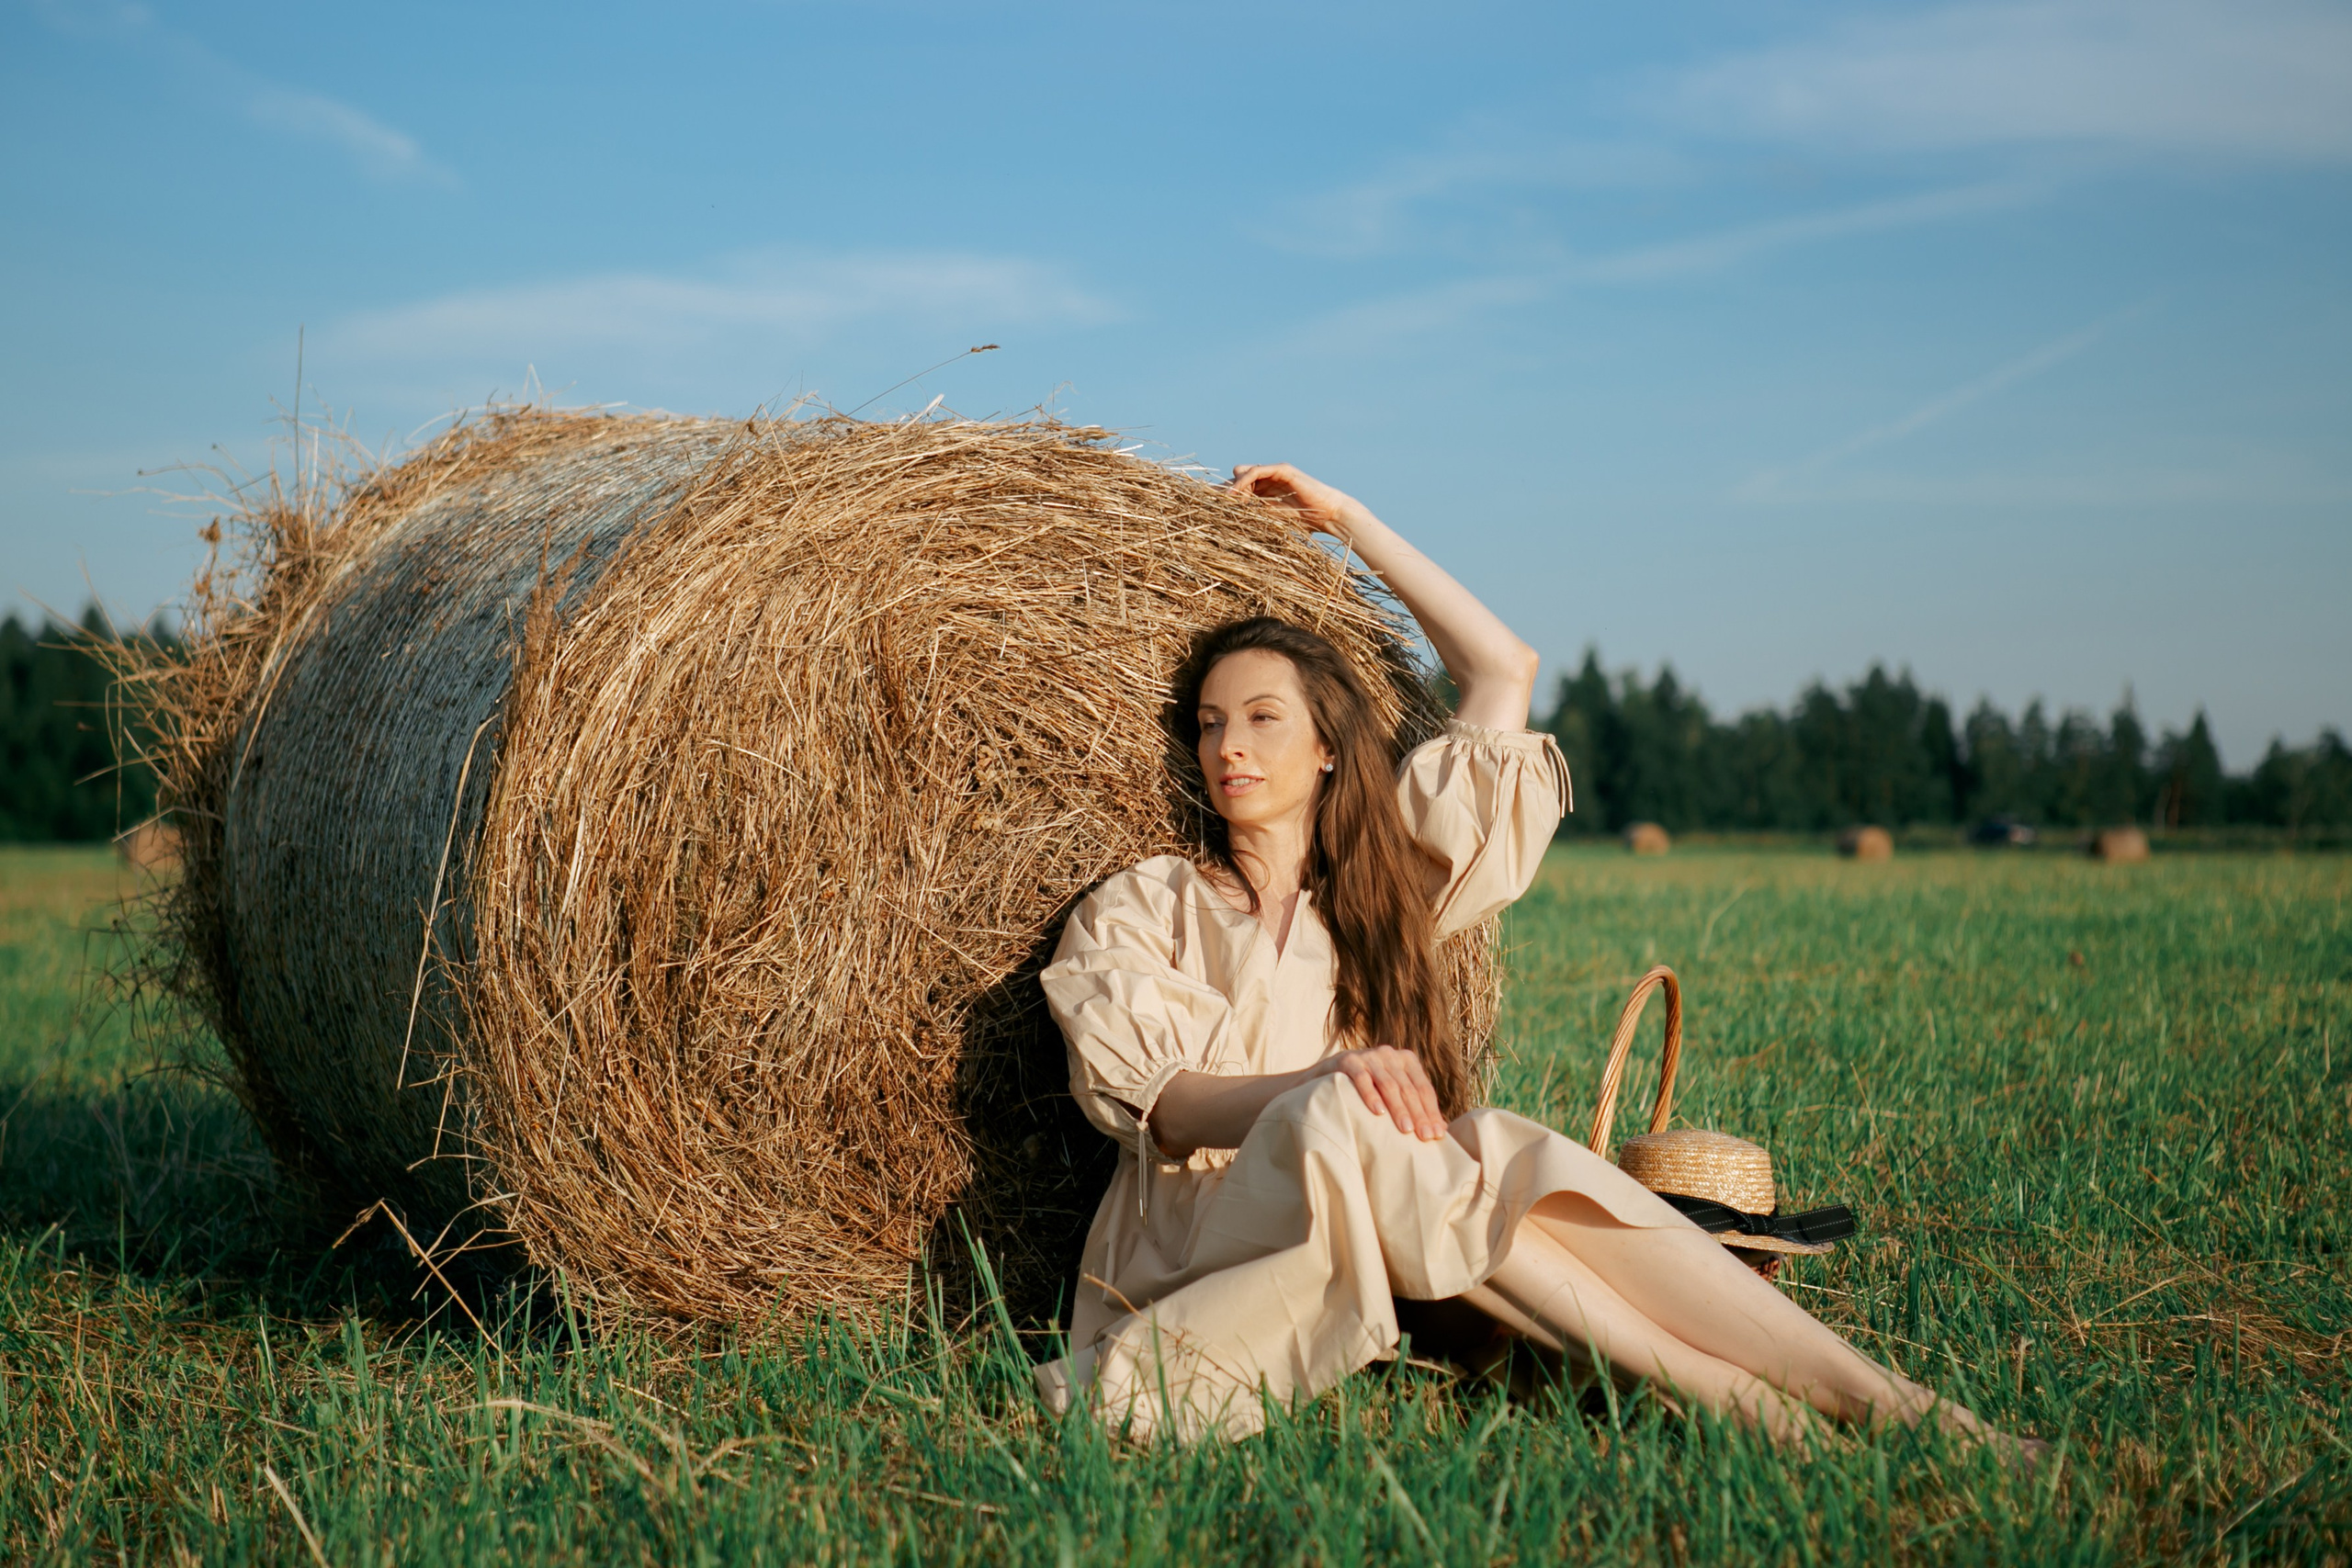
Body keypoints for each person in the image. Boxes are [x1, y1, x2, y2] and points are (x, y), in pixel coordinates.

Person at [1035, 463, 2036, 1460]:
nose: (1229, 748)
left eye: (1262, 718)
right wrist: (1323, 1079)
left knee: (1488, 1148)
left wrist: (1349, 519)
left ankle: (1890, 1404)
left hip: (1375, 1213)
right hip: (1195, 1246)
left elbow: (1503, 668)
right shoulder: (1144, 902)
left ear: (1329, 746)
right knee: (1361, 1118)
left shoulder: (1385, 894)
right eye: (1209, 723)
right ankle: (1783, 1411)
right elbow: (1168, 1109)